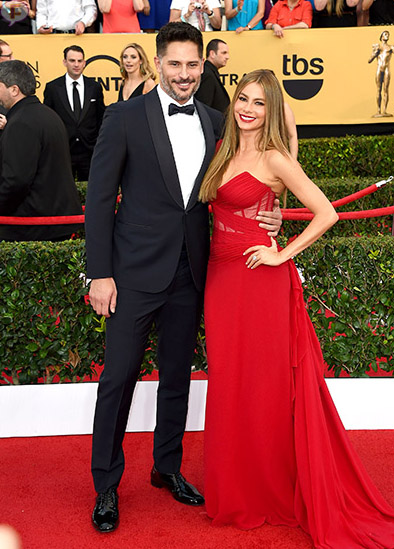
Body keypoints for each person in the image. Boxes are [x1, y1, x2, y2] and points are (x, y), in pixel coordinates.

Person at [199, 69, 394, 547]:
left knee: (262, 387)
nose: (248, 109)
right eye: (243, 98)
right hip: (220, 282)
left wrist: (280, 251)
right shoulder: (224, 147)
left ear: (273, 110)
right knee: (230, 382)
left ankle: (266, 492)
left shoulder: (276, 157)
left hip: (259, 280)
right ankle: (237, 487)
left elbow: (327, 212)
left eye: (260, 103)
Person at [85, 22, 282, 534]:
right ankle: (106, 483)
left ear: (204, 65)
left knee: (178, 376)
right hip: (131, 273)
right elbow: (99, 200)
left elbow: (246, 180)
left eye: (193, 64)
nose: (185, 74)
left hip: (193, 271)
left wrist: (273, 213)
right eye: (175, 64)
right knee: (119, 377)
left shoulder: (220, 121)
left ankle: (166, 467)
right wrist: (99, 274)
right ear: (158, 64)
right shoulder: (124, 117)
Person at [0, 60, 83, 241]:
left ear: (14, 89)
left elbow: (16, 181)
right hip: (54, 223)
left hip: (34, 226)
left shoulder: (21, 122)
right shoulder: (47, 114)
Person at [43, 45, 105, 181]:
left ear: (84, 63)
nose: (76, 65)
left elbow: (101, 117)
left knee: (91, 192)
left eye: (79, 61)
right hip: (63, 151)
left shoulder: (94, 87)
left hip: (90, 151)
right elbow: (47, 120)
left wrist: (97, 144)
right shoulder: (52, 88)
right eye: (72, 61)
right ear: (64, 62)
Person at [368, 29, 394, 118]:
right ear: (381, 36)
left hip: (386, 69)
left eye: (388, 34)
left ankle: (384, 110)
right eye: (385, 34)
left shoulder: (391, 47)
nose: (387, 36)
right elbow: (369, 60)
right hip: (379, 69)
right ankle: (378, 110)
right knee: (378, 89)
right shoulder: (377, 47)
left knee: (385, 90)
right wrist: (375, 54)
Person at [194, 39, 230, 114]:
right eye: (224, 53)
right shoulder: (207, 75)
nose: (227, 57)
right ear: (212, 54)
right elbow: (203, 109)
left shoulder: (210, 72)